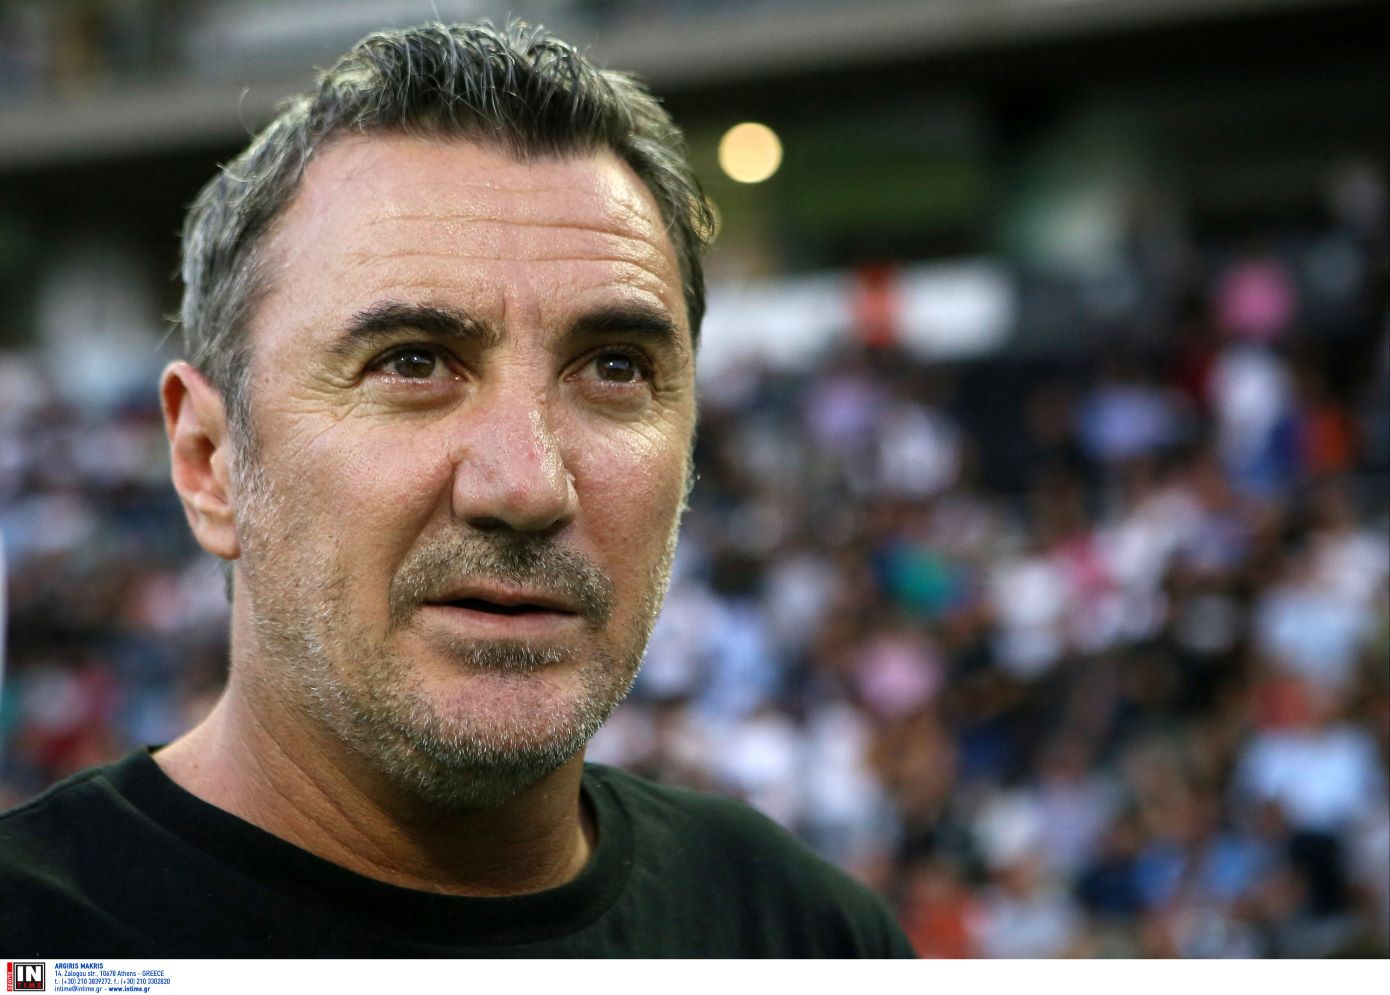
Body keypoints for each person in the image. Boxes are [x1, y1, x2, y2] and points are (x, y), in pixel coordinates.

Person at [0, 21, 913, 958]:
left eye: (614, 366)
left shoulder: (804, 936)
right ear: (208, 460)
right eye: (412, 362)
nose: (526, 484)